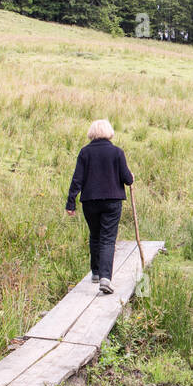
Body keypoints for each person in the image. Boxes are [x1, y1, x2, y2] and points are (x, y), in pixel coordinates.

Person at [65, 119, 134, 294]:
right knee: (108, 239)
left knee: (95, 235)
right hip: (112, 201)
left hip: (90, 201)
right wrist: (130, 176)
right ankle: (105, 278)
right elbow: (127, 179)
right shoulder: (117, 152)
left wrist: (70, 203)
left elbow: (77, 179)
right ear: (109, 132)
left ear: (92, 133)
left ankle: (96, 272)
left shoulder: (85, 152)